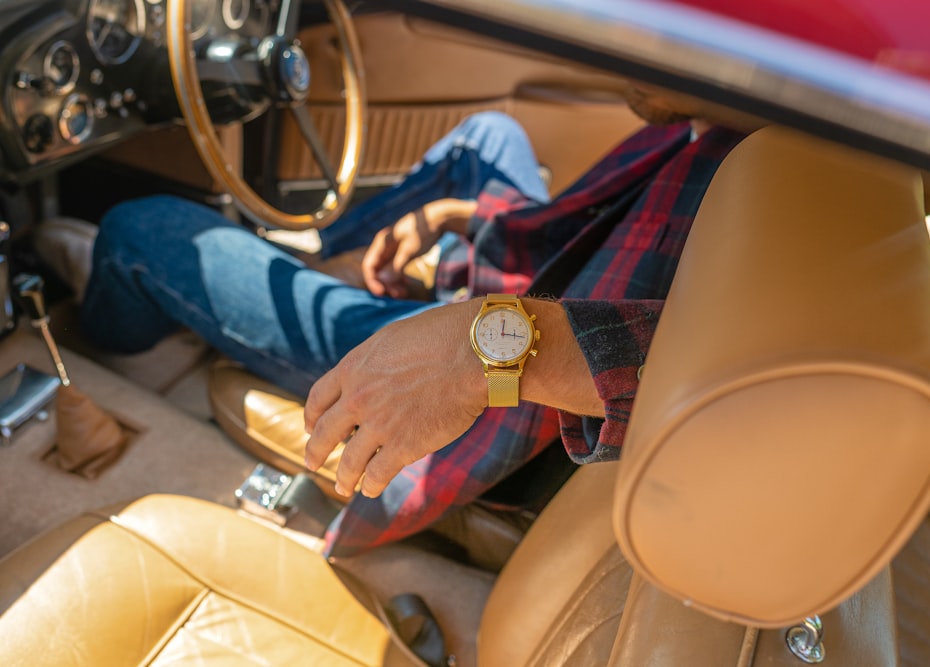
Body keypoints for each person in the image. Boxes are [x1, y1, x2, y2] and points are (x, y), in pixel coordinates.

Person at [36, 86, 747, 557]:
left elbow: (711, 372)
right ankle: (316, 264)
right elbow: (609, 236)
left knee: (139, 232)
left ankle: (122, 342)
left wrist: (477, 350)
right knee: (487, 139)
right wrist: (467, 221)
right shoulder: (734, 124)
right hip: (537, 287)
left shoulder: (764, 175)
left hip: (508, 395)